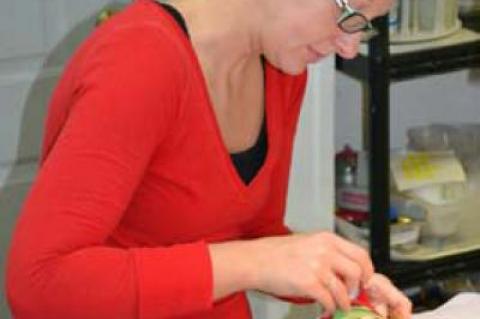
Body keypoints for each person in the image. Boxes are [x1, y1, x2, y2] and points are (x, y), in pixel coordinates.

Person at [6, 0, 411, 318]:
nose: (350, 45)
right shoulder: (140, 60)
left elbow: (252, 231)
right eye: (351, 12)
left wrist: (335, 277)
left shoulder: (281, 66)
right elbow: (39, 284)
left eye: (367, 22)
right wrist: (253, 262)